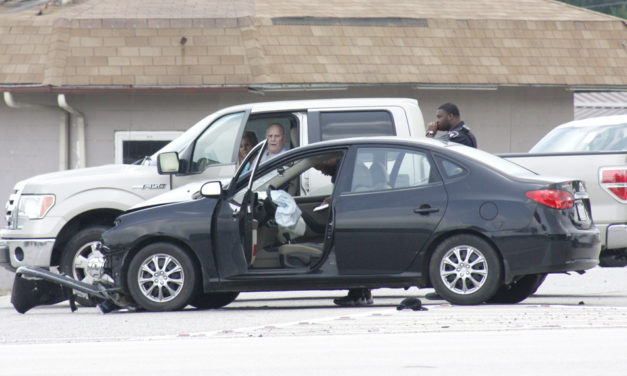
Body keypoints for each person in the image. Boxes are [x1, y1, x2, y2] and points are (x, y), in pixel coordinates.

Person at [425, 103, 477, 301]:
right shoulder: (461, 133)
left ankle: (453, 286)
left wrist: (430, 134)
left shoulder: (459, 136)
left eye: (440, 116)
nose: (436, 121)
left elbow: (430, 150)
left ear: (452, 116)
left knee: (452, 245)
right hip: (457, 194)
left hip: (457, 196)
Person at [313, 156, 374, 307]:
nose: (322, 173)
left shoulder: (348, 169)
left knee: (351, 254)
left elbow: (354, 194)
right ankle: (361, 293)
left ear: (328, 160)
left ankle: (358, 293)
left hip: (356, 218)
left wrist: (334, 200)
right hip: (359, 217)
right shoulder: (347, 165)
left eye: (321, 168)